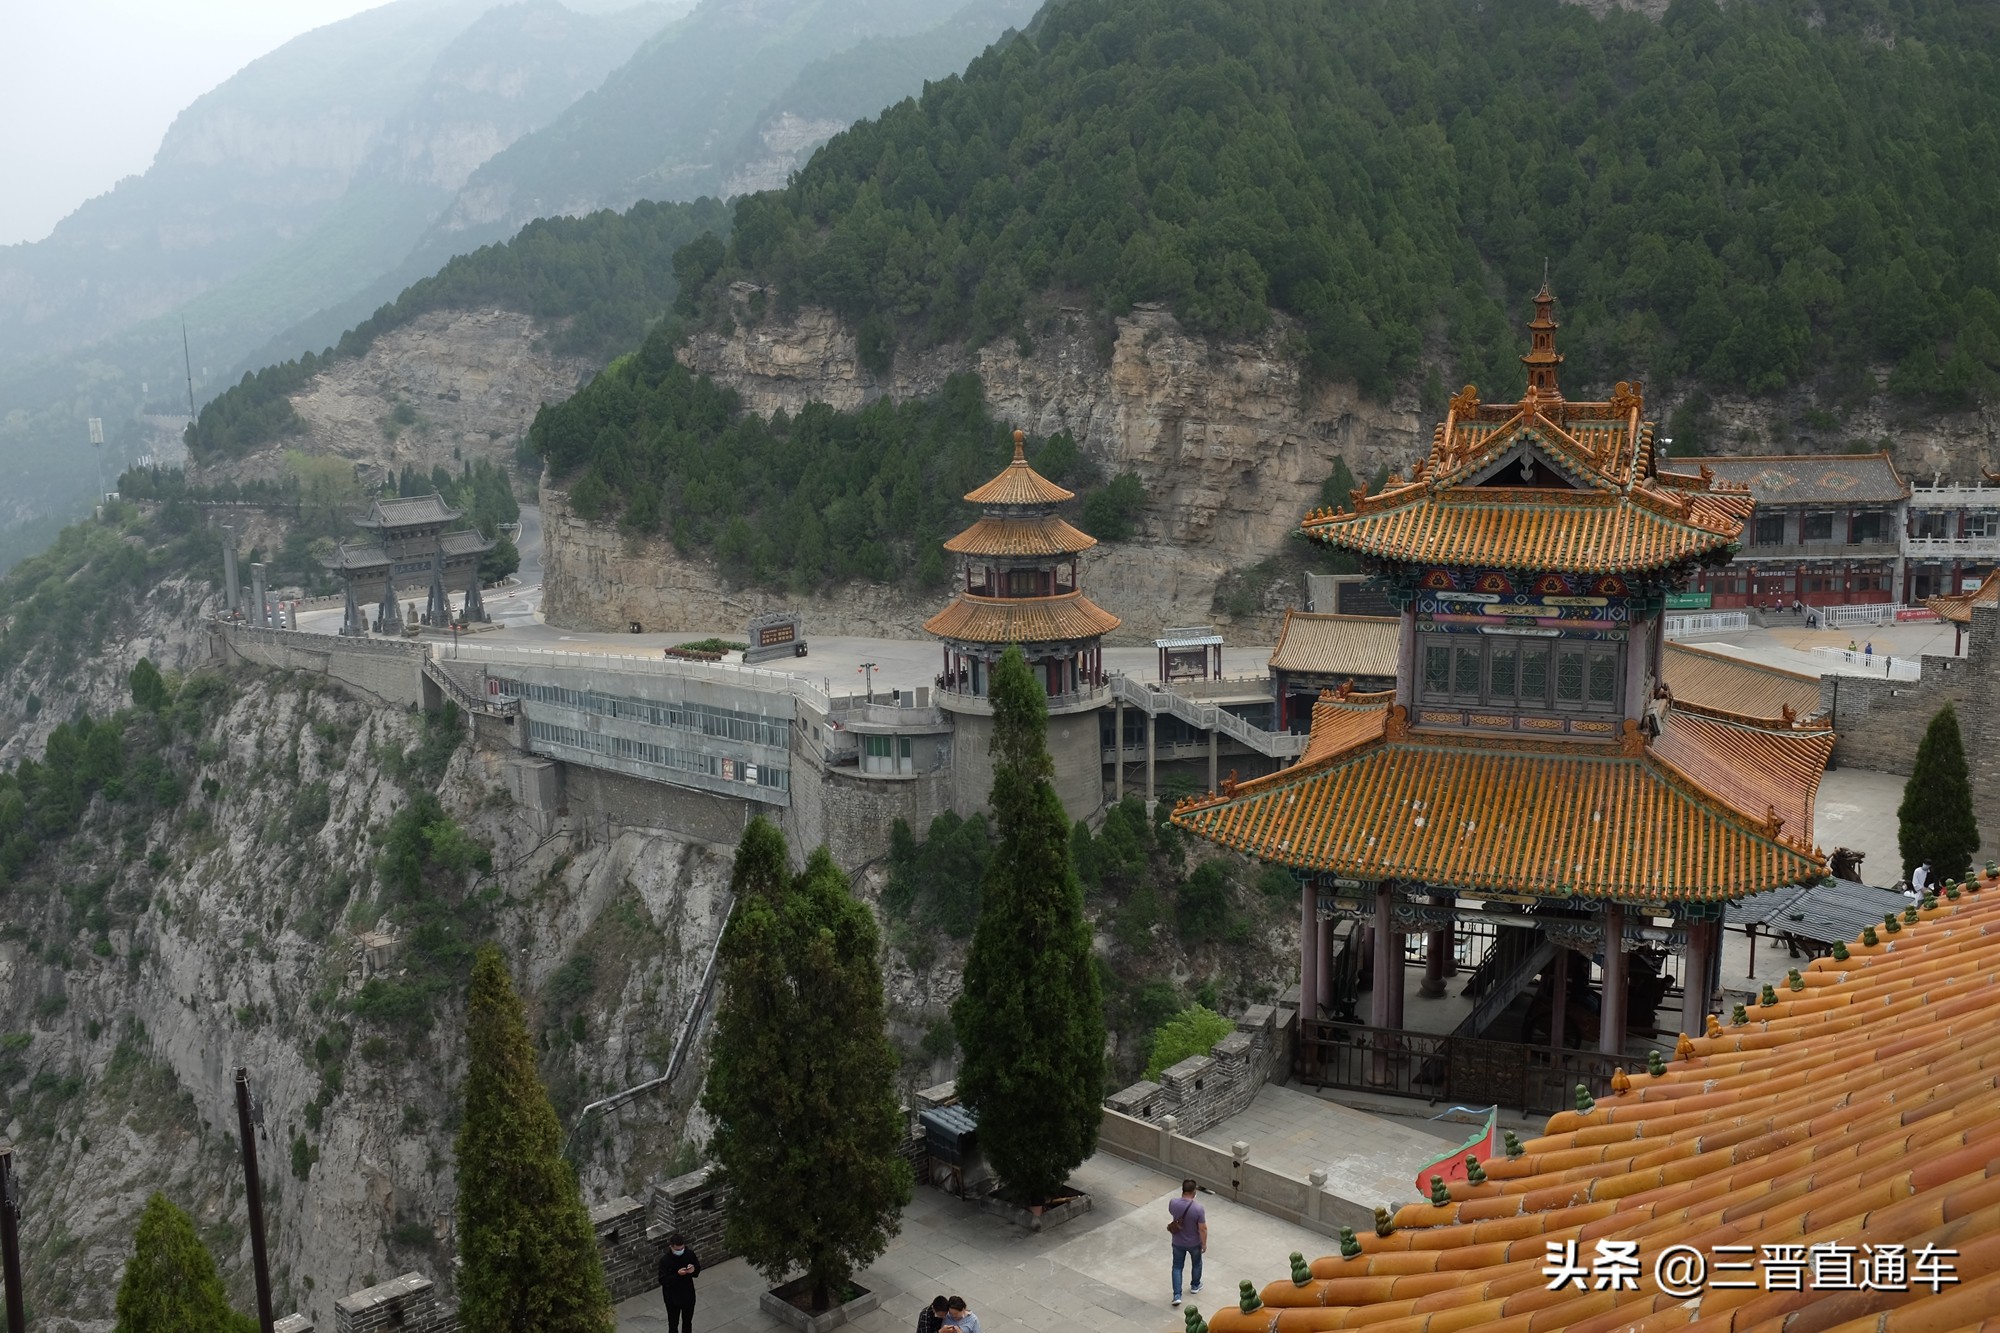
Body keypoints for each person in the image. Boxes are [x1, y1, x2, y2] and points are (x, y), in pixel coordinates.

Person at [1168, 1178, 1207, 1307]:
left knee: (1177, 1267)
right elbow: (1202, 1228)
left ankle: (1177, 1295)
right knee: (1197, 1263)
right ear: (1194, 1191)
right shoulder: (1198, 1208)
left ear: (1183, 1190)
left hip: (1177, 1242)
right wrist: (1204, 1243)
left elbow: (1173, 1213)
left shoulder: (1173, 1203)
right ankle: (1195, 1285)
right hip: (1194, 1242)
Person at [659, 1233, 701, 1333]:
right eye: (677, 1249)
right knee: (673, 1324)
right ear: (671, 1247)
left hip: (688, 1295)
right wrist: (678, 1275)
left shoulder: (689, 1254)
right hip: (672, 1298)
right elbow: (663, 1280)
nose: (680, 1251)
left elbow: (697, 1271)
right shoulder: (665, 1260)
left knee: (687, 1322)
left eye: (682, 1248)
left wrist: (693, 1270)